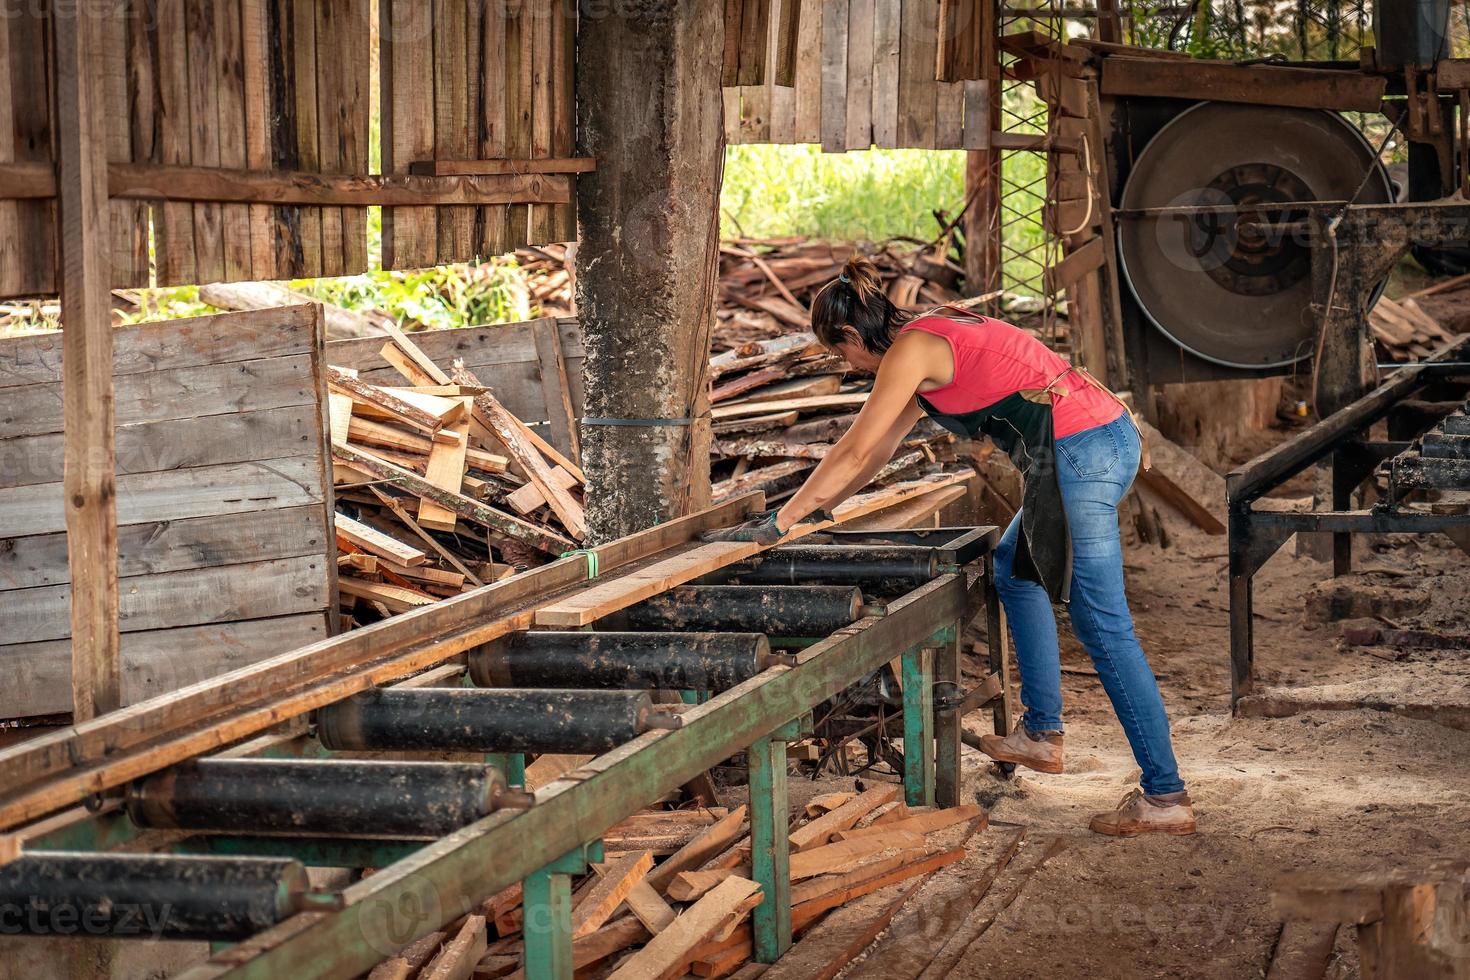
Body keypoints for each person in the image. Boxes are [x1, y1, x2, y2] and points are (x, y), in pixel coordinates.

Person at [703, 256, 1195, 837]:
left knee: (1102, 625)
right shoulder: (923, 345)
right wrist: (819, 505)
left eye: (842, 355)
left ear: (855, 335)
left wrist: (782, 522)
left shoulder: (911, 351)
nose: (848, 367)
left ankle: (1165, 797)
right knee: (1014, 569)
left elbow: (855, 449)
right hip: (1085, 443)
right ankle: (1042, 734)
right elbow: (879, 450)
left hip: (1082, 449)